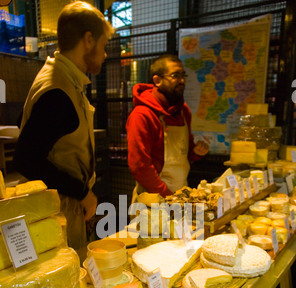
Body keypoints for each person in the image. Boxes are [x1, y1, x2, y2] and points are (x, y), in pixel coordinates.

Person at [14, 1, 114, 262]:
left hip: (66, 208)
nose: (105, 55)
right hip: (56, 214)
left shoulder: (62, 78)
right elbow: (26, 158)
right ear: (89, 40)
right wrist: (82, 192)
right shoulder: (58, 90)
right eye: (104, 46)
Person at [126, 54, 208, 202]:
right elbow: (140, 166)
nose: (182, 81)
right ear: (157, 80)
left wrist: (196, 153)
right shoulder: (142, 115)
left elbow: (185, 153)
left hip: (180, 194)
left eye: (183, 75)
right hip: (152, 200)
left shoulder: (183, 111)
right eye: (175, 76)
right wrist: (168, 197)